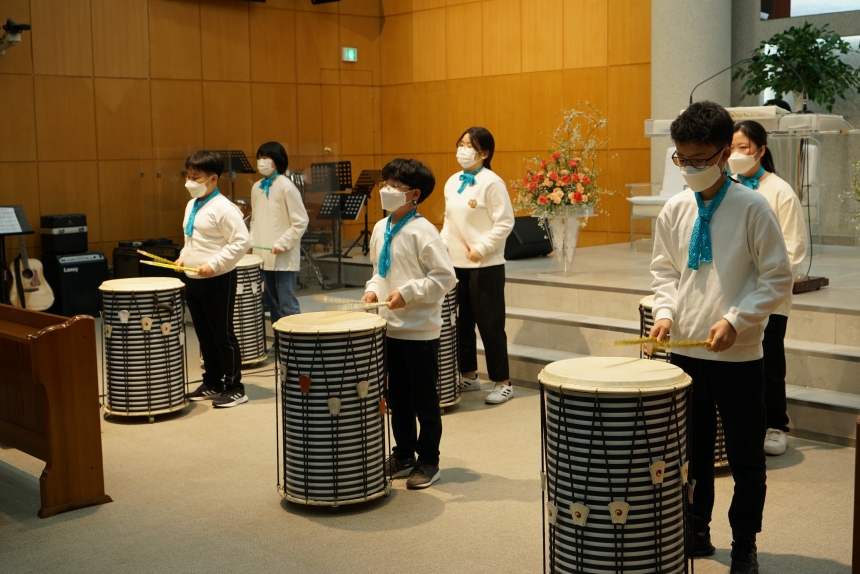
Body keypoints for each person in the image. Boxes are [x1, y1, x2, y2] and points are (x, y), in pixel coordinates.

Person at [649, 102, 792, 574]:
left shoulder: (753, 207)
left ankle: (744, 543)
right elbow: (665, 272)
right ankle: (697, 528)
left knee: (745, 456)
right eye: (682, 159)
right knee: (692, 454)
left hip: (739, 355)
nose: (690, 168)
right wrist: (665, 313)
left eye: (700, 159)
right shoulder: (674, 208)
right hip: (687, 353)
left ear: (725, 153)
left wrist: (736, 319)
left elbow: (777, 277)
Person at [361, 158, 456, 490]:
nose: (385, 190)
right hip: (389, 328)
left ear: (414, 194)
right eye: (384, 184)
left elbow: (445, 278)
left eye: (394, 186)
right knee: (396, 398)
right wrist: (373, 290)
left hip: (419, 331)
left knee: (424, 401)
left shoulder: (423, 231)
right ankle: (403, 453)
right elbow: (380, 272)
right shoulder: (380, 227)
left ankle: (429, 461)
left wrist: (409, 292)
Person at [729, 120, 808, 456]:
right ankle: (744, 424)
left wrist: (767, 284)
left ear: (760, 150)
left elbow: (794, 250)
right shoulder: (728, 188)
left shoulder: (780, 191)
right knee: (740, 363)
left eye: (743, 147)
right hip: (734, 292)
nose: (736, 154)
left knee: (769, 361)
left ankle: (776, 425)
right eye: (731, 147)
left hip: (770, 295)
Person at [440, 127, 515, 405]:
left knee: (490, 325)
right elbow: (449, 222)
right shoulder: (452, 182)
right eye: (460, 144)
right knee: (461, 324)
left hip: (486, 266)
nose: (462, 150)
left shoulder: (492, 182)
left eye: (469, 146)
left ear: (484, 153)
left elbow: (505, 223)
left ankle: (503, 382)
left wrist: (481, 248)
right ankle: (469, 375)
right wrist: (441, 248)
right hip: (455, 265)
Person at [177, 151, 252, 408]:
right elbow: (192, 239)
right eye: (188, 176)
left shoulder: (224, 208)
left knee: (223, 335)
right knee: (204, 335)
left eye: (195, 177)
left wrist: (214, 264)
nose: (189, 181)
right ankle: (212, 382)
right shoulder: (192, 204)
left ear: (213, 178)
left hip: (218, 280)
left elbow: (241, 242)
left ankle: (235, 387)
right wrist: (183, 256)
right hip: (194, 279)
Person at [250, 141, 309, 326]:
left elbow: (300, 221)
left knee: (287, 305)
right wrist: (251, 243)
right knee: (272, 304)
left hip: (283, 256)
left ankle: (296, 340)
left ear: (277, 160)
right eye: (260, 157)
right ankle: (279, 339)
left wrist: (283, 243)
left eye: (266, 157)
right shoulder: (257, 187)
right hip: (263, 256)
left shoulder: (286, 186)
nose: (262, 161)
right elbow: (254, 221)